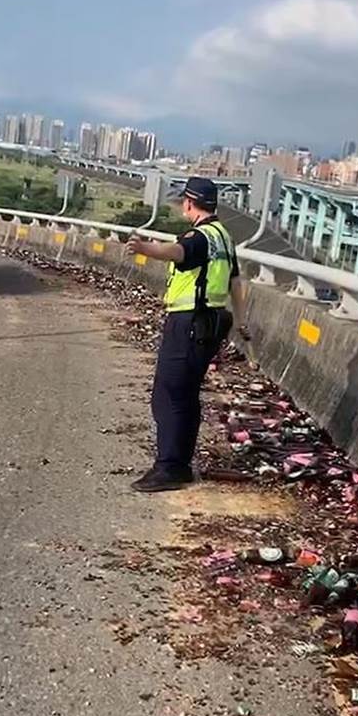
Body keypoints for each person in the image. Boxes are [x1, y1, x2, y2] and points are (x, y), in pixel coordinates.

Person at [125, 177, 250, 493]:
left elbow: (178, 252)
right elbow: (236, 282)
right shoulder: (224, 236)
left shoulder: (200, 236)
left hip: (190, 321)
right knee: (186, 394)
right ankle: (178, 462)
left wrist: (143, 249)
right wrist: (242, 320)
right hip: (213, 319)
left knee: (168, 395)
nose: (183, 205)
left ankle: (170, 467)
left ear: (191, 203)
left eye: (184, 200)